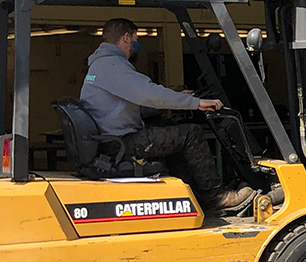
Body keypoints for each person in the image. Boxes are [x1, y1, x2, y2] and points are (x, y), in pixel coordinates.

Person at [80, 18, 257, 213]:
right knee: (191, 134)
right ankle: (217, 197)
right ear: (126, 37)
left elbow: (132, 106)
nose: (134, 47)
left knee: (171, 134)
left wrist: (175, 101)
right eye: (134, 41)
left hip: (113, 140)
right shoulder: (113, 66)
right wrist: (195, 103)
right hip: (122, 143)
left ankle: (196, 198)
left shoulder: (100, 65)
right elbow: (149, 94)